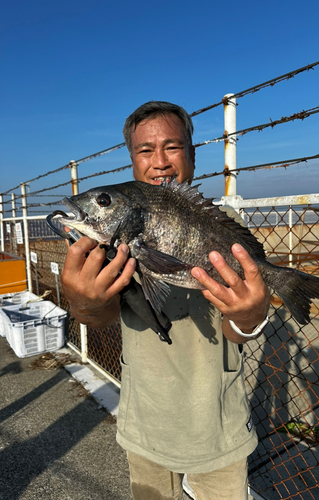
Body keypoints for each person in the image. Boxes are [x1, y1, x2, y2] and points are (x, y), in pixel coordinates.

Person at [61, 101, 270, 500]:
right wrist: (82, 302)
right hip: (145, 424)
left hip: (218, 426)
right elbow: (99, 318)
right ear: (132, 159)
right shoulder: (102, 240)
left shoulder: (229, 228)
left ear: (191, 156)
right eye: (145, 150)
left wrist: (251, 315)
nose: (159, 161)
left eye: (172, 147)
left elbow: (237, 329)